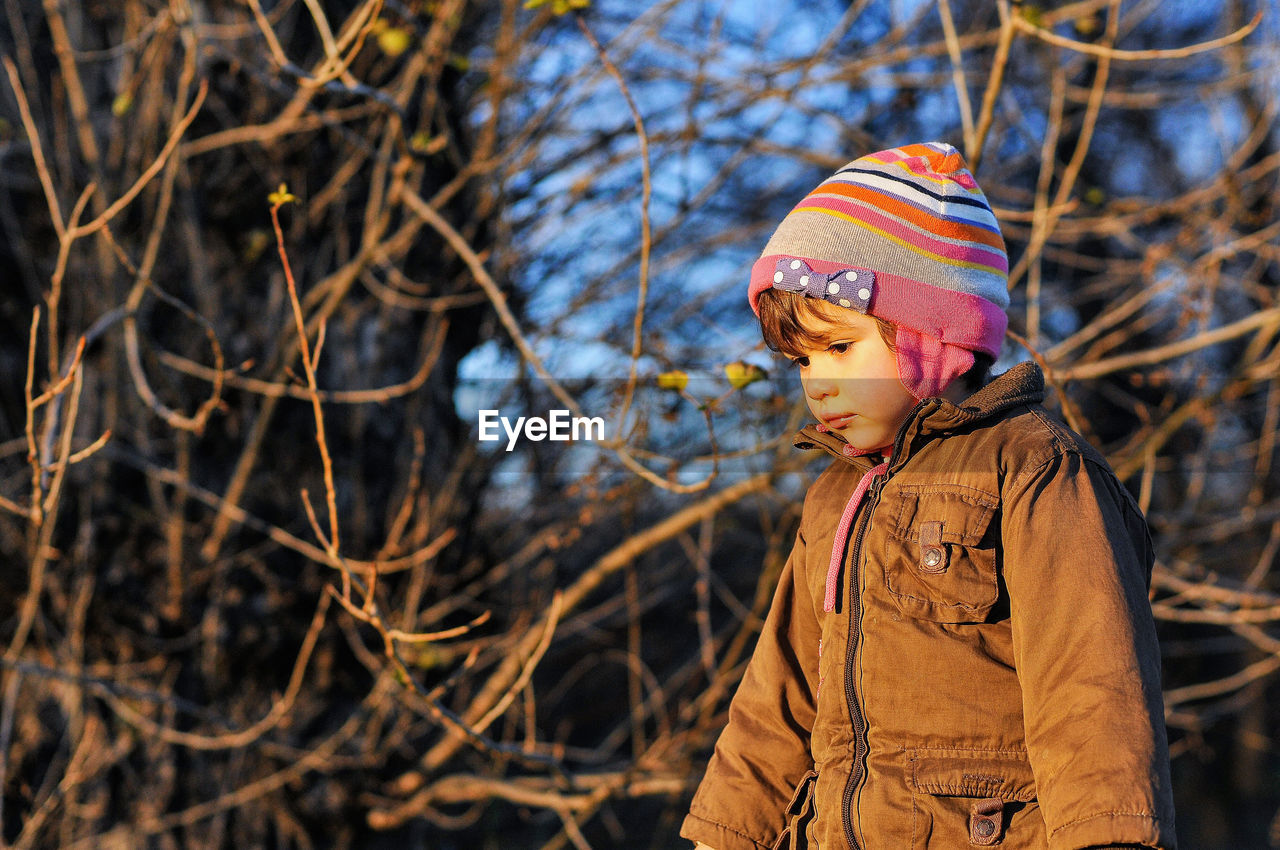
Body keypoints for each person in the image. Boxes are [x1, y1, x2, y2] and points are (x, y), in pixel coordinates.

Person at [680, 143, 1176, 850]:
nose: (816, 381)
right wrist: (726, 833)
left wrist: (1110, 838)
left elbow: (1092, 691)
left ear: (931, 338)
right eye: (802, 360)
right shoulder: (835, 497)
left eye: (841, 348)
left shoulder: (1033, 472)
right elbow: (779, 696)